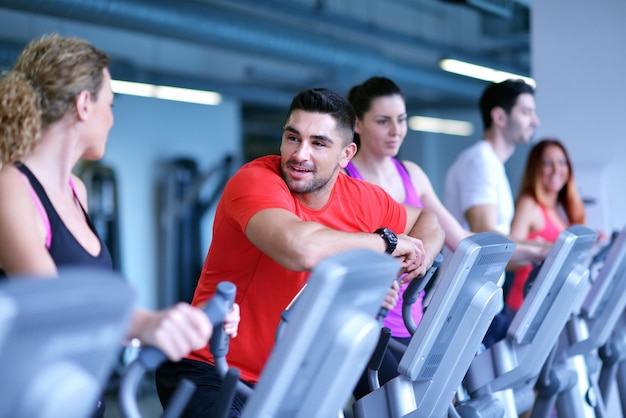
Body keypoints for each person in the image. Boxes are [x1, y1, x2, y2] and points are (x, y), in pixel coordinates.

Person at [155, 87, 445, 417]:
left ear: (346, 155)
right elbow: (300, 247)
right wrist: (388, 244)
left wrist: (400, 267)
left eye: (318, 143)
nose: (300, 154)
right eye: (293, 138)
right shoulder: (255, 181)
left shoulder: (362, 198)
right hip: (212, 370)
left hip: (290, 380)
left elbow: (427, 219)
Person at [0, 34, 239, 417]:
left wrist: (186, 324)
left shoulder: (76, 190)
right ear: (84, 105)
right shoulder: (11, 186)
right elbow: (53, 305)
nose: (112, 117)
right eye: (109, 104)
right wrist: (145, 322)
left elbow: (93, 312)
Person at [344, 76, 471, 398]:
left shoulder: (411, 173)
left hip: (414, 323)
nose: (396, 130)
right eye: (383, 121)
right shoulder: (344, 179)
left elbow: (460, 239)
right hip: (369, 327)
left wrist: (537, 249)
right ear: (357, 123)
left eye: (401, 120)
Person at [444, 78, 547, 346]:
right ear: (500, 116)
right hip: (465, 305)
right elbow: (487, 239)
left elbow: (503, 254)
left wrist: (542, 251)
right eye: (526, 112)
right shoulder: (480, 162)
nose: (534, 121)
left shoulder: (494, 166)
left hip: (486, 301)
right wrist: (541, 248)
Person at [505, 138, 586, 312]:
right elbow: (509, 259)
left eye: (561, 162)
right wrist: (538, 251)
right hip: (524, 306)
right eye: (548, 163)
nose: (556, 169)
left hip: (547, 306)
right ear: (536, 169)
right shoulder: (529, 204)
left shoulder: (559, 210)